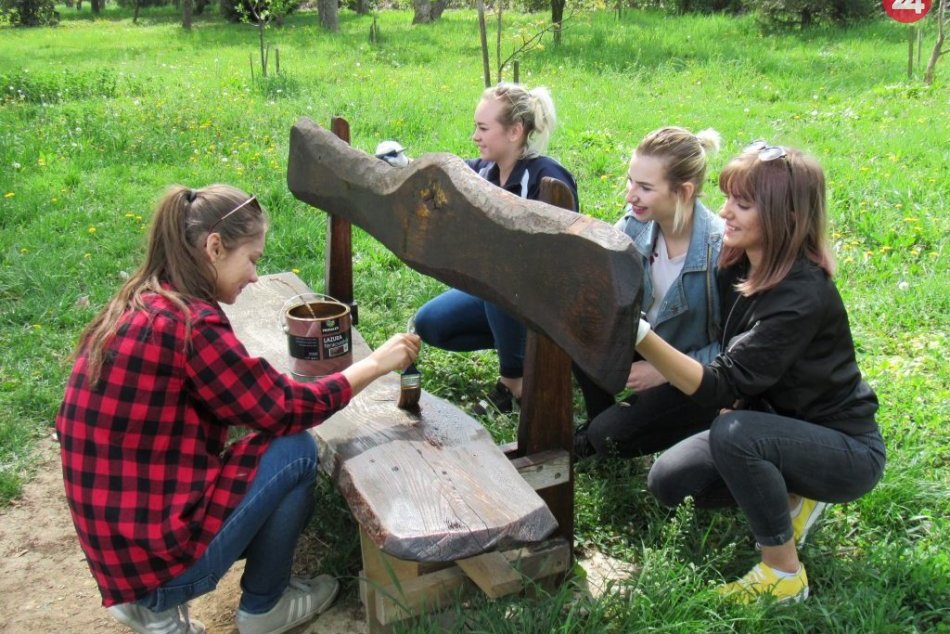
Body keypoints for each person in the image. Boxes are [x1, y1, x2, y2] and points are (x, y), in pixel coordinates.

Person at [55, 184, 420, 634]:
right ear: (213, 247)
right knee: (295, 449)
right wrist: (375, 364)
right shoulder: (190, 326)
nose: (253, 276)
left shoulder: (142, 299)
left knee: (266, 446)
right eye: (252, 259)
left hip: (120, 553)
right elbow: (284, 408)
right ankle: (261, 606)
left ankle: (147, 604)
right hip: (156, 564)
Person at [633, 143, 885, 602]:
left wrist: (640, 336)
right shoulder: (740, 260)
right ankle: (792, 498)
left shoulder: (801, 295)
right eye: (728, 197)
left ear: (785, 218)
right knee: (669, 482)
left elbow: (721, 383)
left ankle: (784, 575)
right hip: (776, 424)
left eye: (742, 204)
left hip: (845, 448)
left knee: (734, 432)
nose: (724, 211)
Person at [412, 82, 579, 415]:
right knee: (429, 323)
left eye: (483, 127)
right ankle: (523, 351)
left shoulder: (547, 177)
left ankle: (514, 382)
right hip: (503, 294)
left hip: (546, 300)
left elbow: (562, 261)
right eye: (476, 126)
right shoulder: (485, 171)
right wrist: (403, 164)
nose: (475, 135)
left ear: (515, 131)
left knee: (496, 277)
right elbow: (445, 171)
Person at [574, 126, 724, 459]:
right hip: (647, 344)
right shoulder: (633, 225)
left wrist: (662, 372)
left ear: (683, 192)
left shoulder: (720, 251)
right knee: (578, 324)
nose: (630, 195)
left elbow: (735, 352)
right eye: (631, 181)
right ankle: (603, 422)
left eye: (644, 187)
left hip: (696, 376)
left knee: (609, 436)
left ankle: (697, 428)